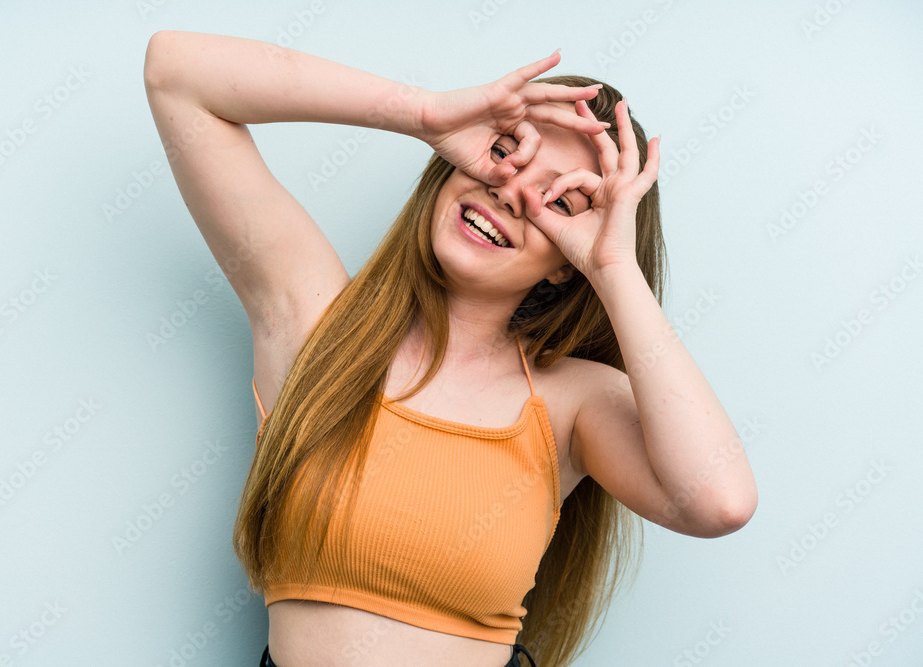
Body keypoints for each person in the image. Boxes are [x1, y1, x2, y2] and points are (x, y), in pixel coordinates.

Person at [143, 30, 758, 667]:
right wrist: (425, 114)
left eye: (561, 200)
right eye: (505, 151)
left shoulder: (572, 401)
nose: (511, 191)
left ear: (564, 266)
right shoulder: (315, 323)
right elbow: (177, 74)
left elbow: (719, 500)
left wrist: (612, 266)